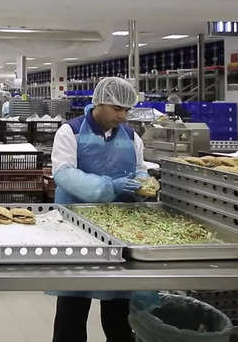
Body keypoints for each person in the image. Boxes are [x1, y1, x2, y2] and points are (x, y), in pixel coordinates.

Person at [51, 76, 147, 342]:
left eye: (127, 110)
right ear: (99, 103)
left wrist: (143, 184)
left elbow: (140, 170)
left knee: (118, 310)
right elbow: (64, 174)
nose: (123, 115)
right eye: (118, 109)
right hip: (76, 229)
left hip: (119, 230)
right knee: (72, 308)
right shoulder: (70, 131)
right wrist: (109, 187)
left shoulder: (131, 136)